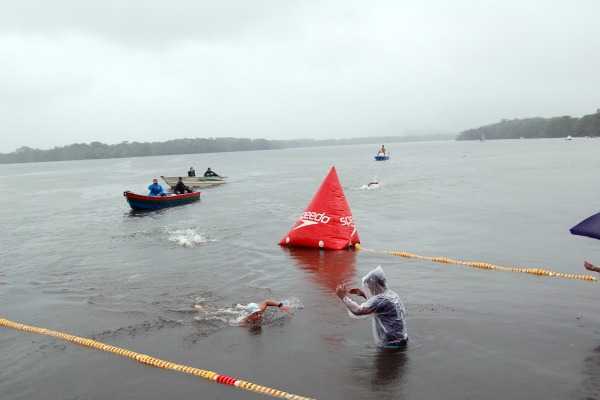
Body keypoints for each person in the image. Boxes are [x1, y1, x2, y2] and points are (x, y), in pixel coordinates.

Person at [336, 266, 408, 348]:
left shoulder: (380, 299)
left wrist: (343, 296)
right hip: (401, 339)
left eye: (370, 285)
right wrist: (362, 294)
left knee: (385, 360)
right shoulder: (391, 295)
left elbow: (358, 310)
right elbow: (379, 305)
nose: (369, 288)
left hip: (392, 344)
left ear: (375, 283)